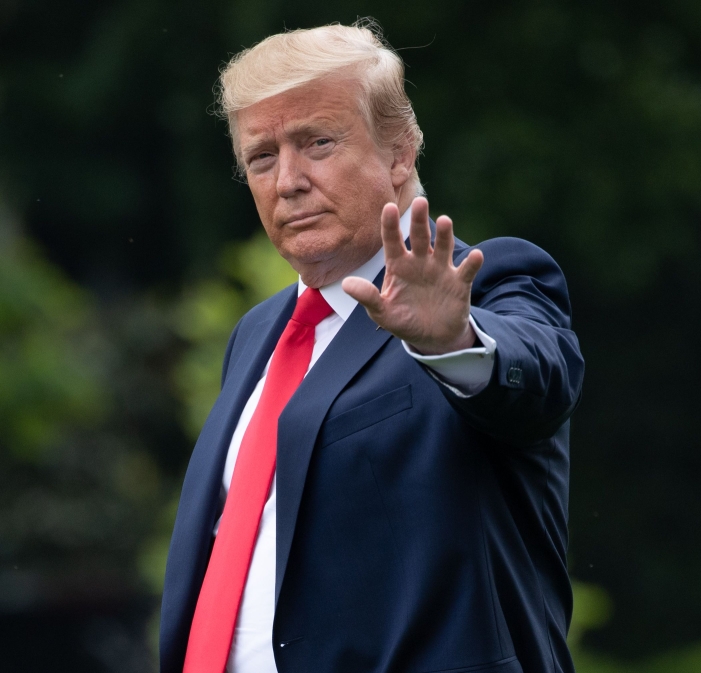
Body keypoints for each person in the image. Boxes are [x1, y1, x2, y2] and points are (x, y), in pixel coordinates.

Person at [159, 20, 584, 673]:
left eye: (317, 142)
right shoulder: (254, 334)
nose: (288, 180)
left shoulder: (490, 283)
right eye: (262, 156)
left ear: (398, 153)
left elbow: (537, 379)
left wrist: (453, 343)